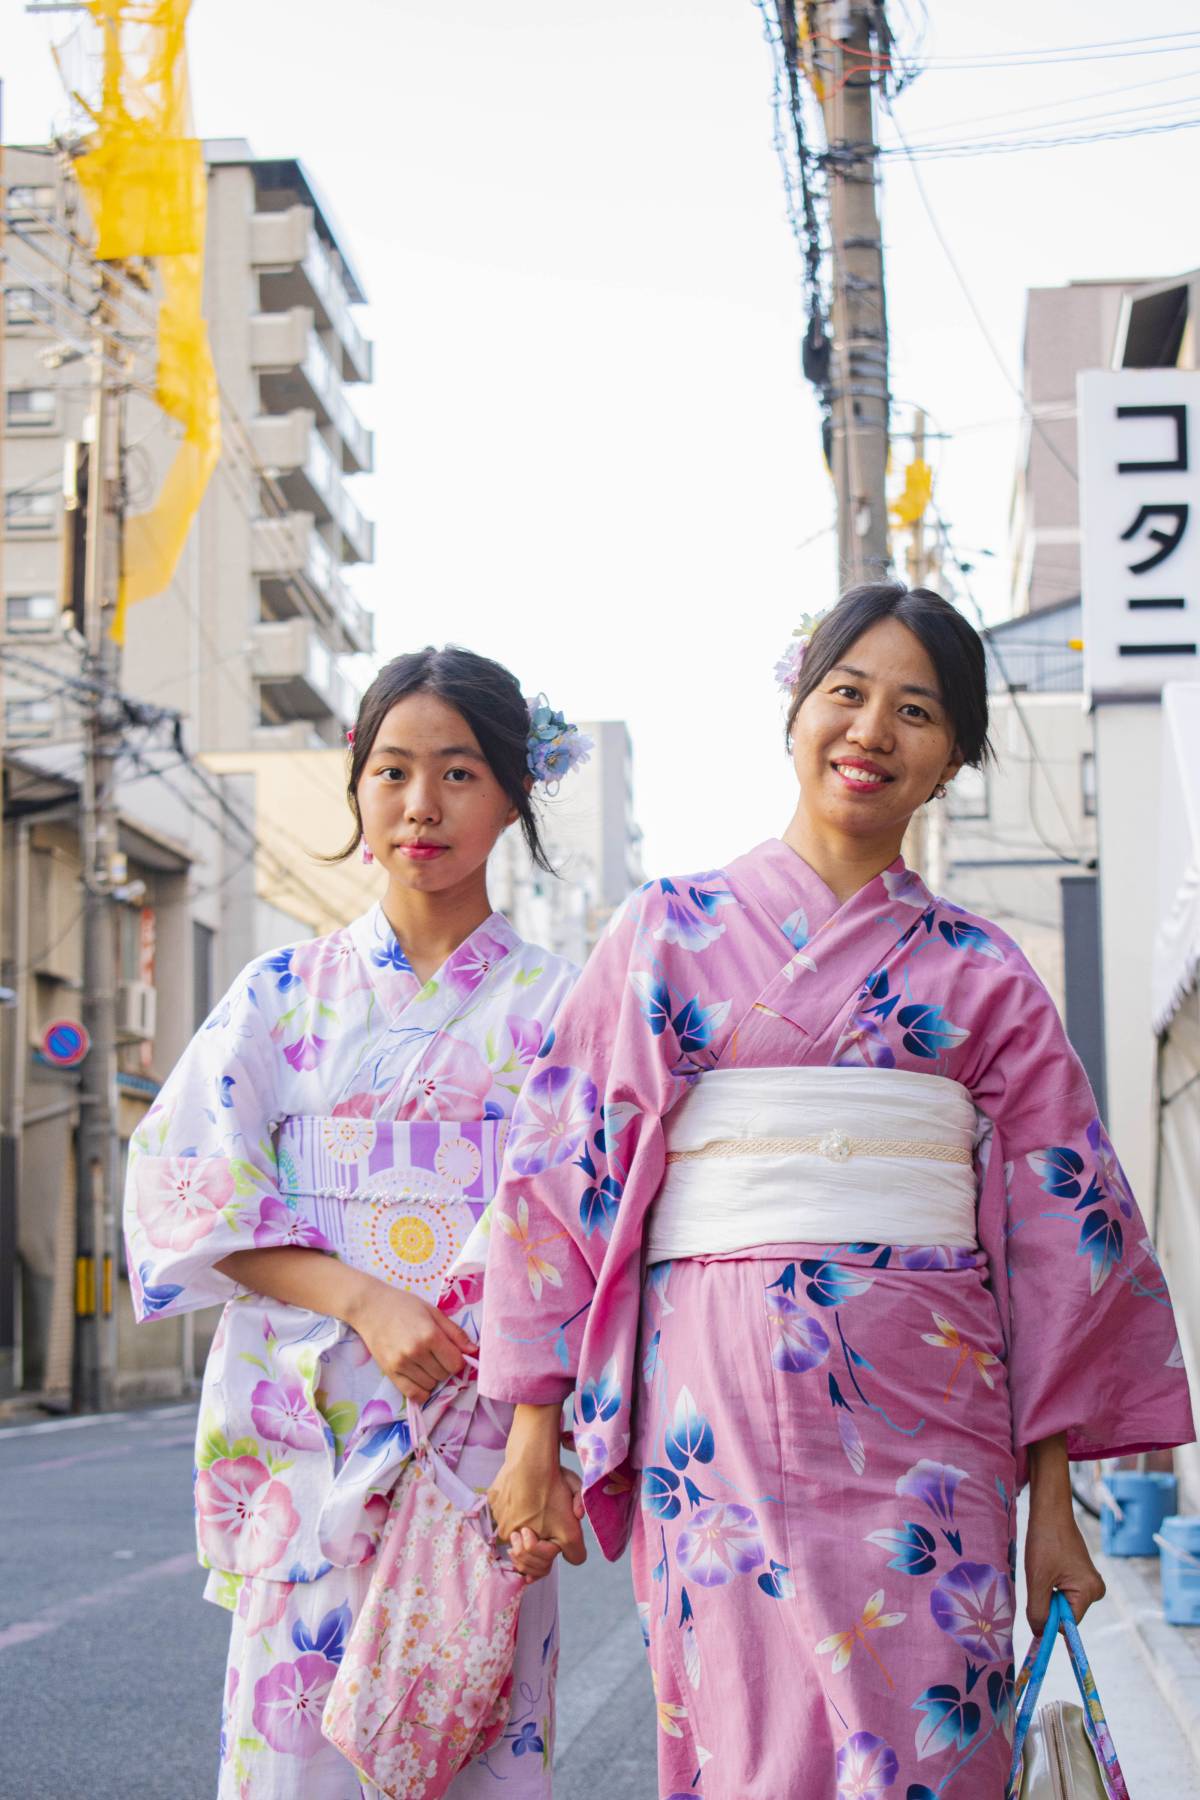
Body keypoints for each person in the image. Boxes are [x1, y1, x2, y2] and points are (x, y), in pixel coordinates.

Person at [479, 584, 1195, 1800]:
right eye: (846, 695)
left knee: (935, 1737)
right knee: (744, 1744)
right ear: (797, 712)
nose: (872, 731)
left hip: (935, 1434)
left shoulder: (986, 975)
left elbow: (1055, 1242)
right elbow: (565, 1179)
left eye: (915, 710)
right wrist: (533, 1432)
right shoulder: (667, 932)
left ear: (955, 753)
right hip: (716, 1425)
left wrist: (1056, 1507)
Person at [123, 646, 590, 1799]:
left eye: (459, 772)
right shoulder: (280, 997)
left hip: (484, 1457)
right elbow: (186, 1194)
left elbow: (593, 1241)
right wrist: (362, 1297)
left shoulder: (559, 1012)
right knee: (293, 1765)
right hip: (308, 1442)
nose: (420, 805)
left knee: (470, 1747)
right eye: (391, 771)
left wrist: (549, 1446)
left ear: (514, 794)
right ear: (358, 789)